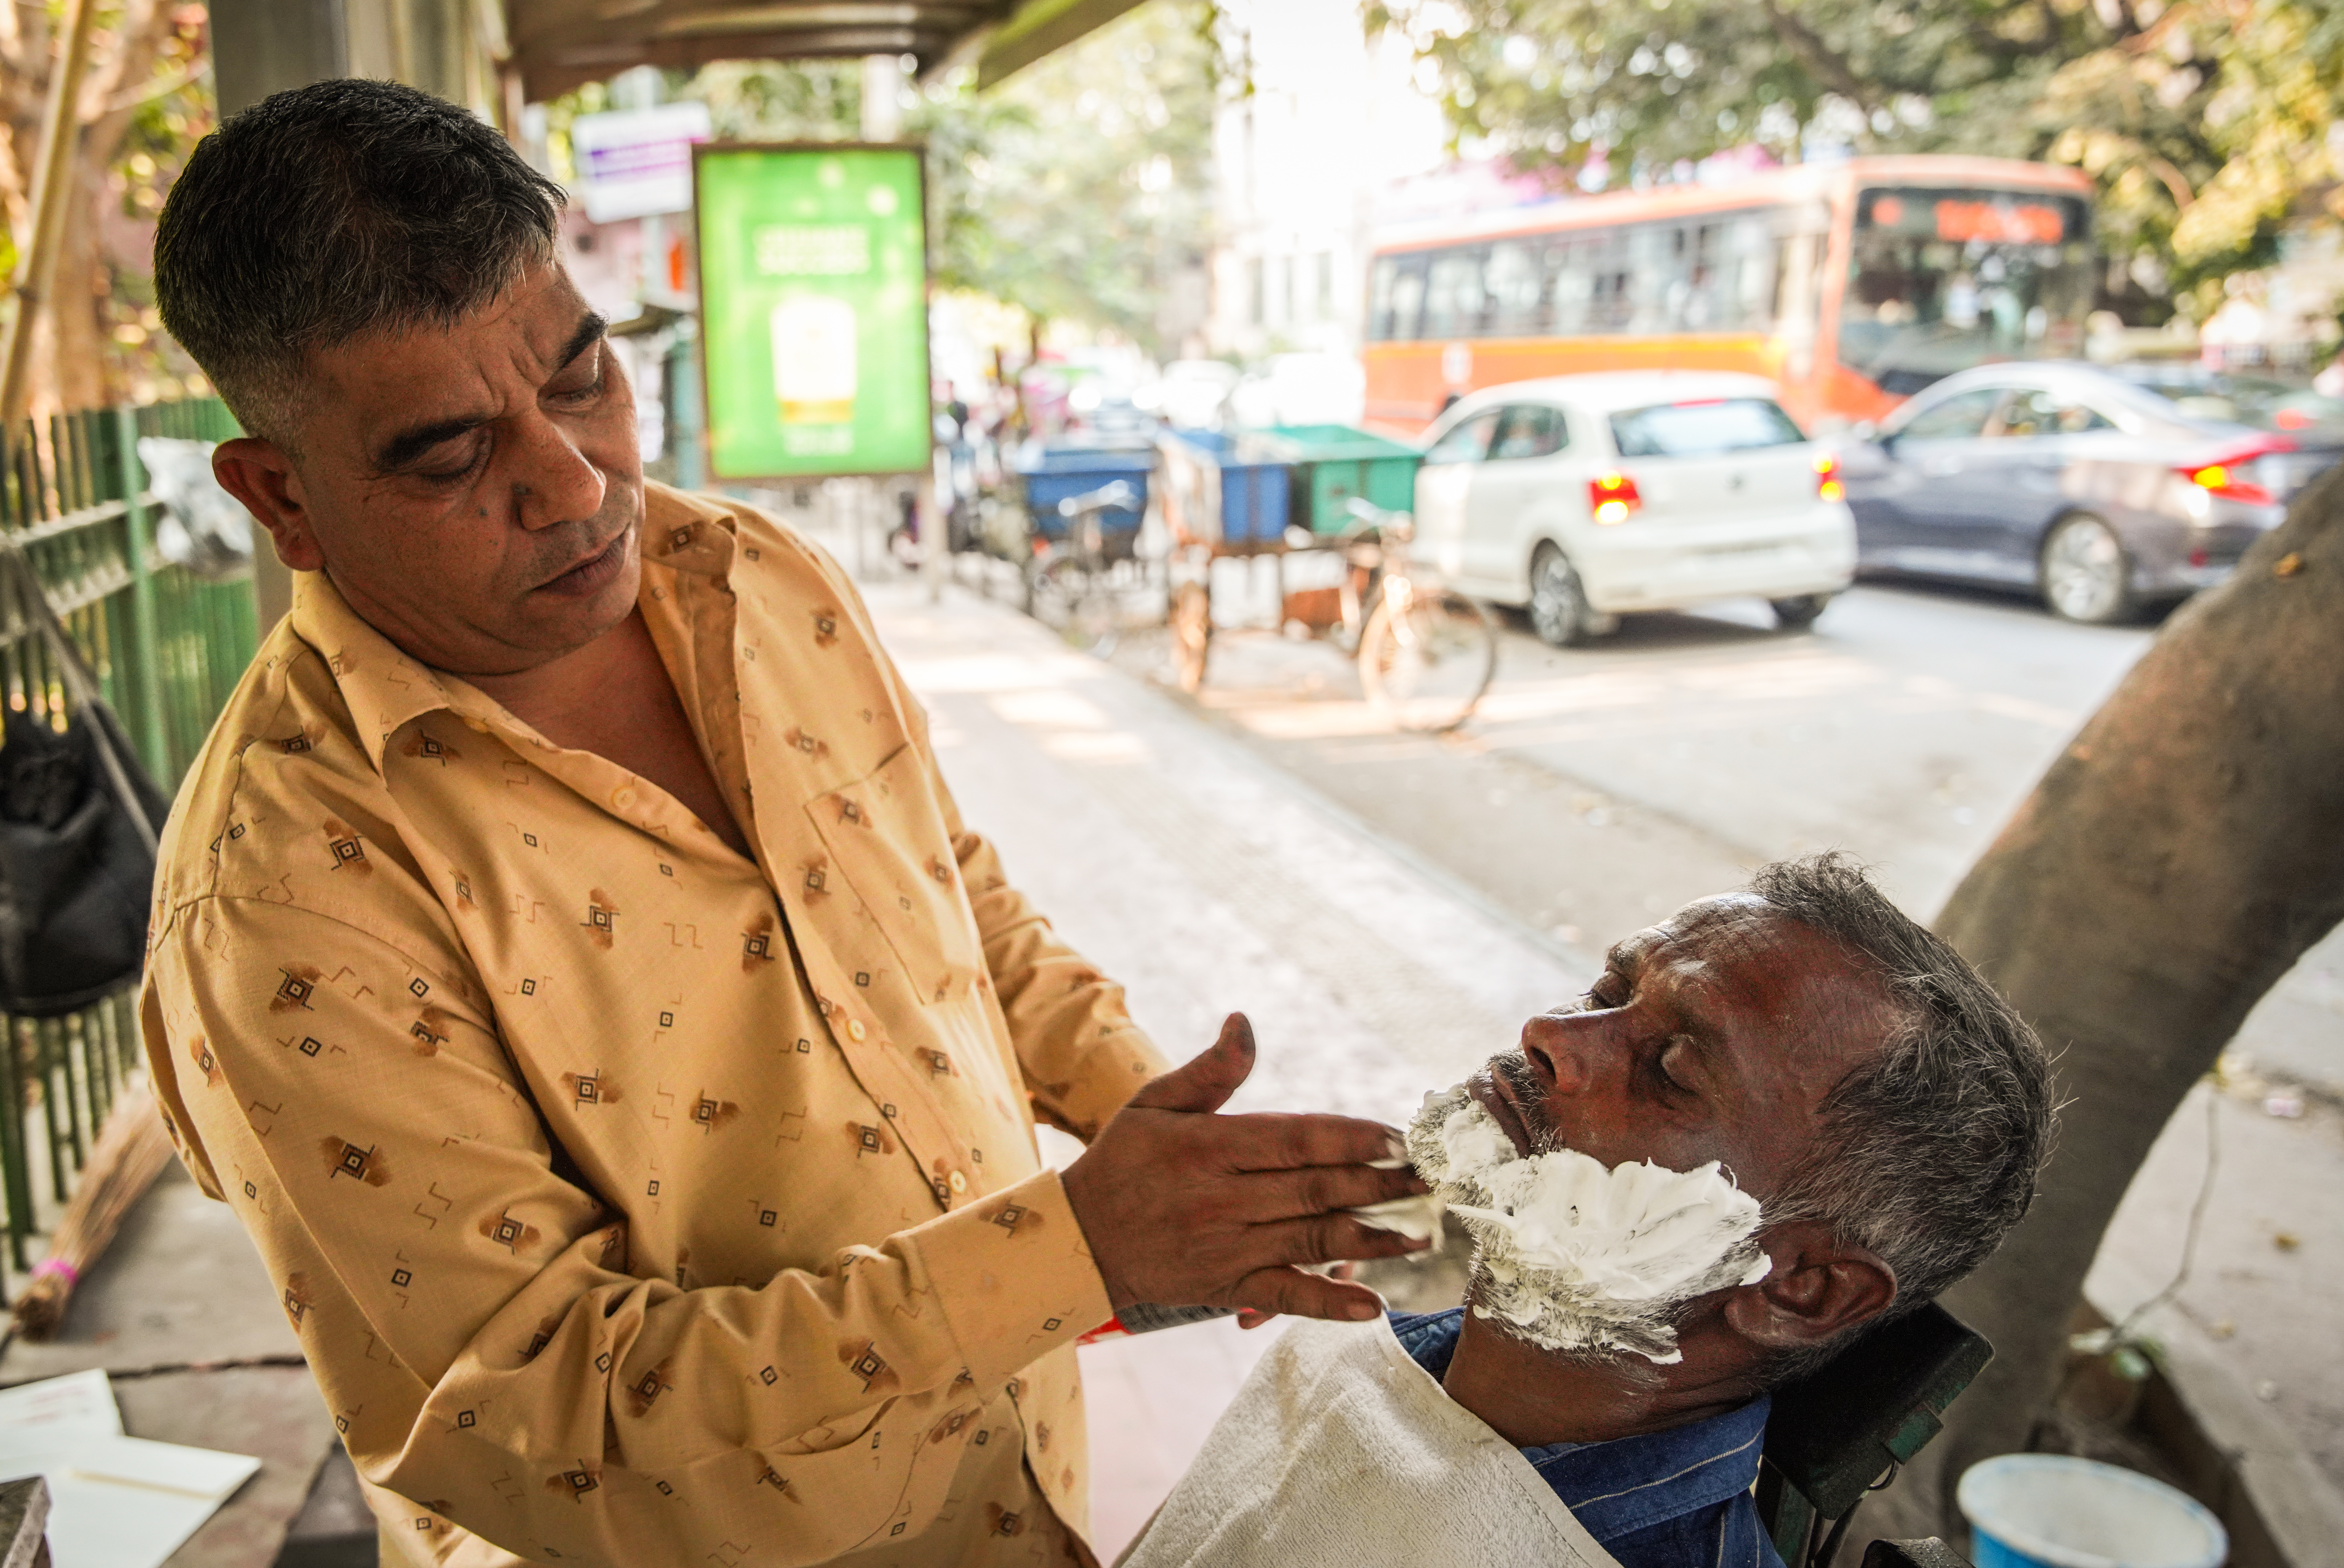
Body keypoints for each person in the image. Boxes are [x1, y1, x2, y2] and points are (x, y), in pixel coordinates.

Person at [138, 80, 1428, 1568]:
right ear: (279, 498)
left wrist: (1180, 1149)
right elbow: (548, 1402)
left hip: (1024, 1495)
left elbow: (954, 909)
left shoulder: (754, 578)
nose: (573, 482)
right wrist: (1077, 1250)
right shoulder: (284, 900)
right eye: (447, 455)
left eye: (578, 379)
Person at [1123, 854, 2054, 1568]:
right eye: (1608, 992)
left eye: (1672, 1071)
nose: (1550, 1035)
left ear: (1800, 1288)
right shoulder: (1441, 1269)